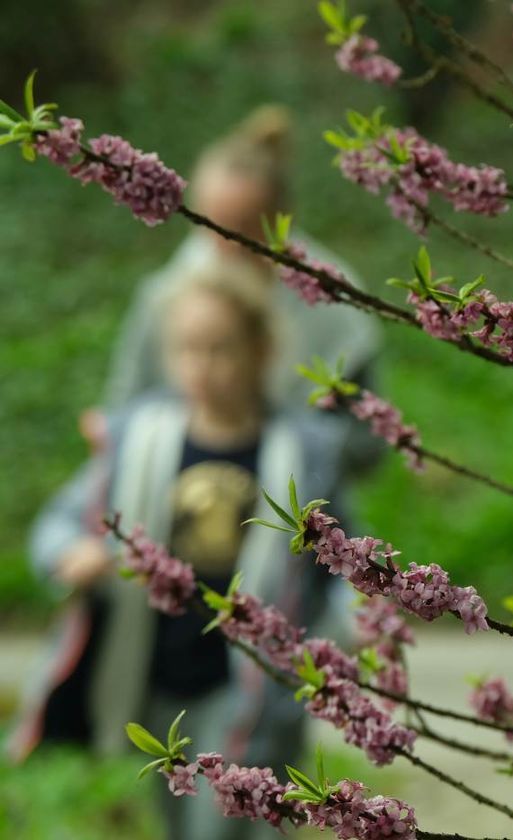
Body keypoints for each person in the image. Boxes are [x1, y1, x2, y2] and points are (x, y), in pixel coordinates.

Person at [12, 263, 349, 840]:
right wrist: (71, 553)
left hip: (249, 678)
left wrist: (353, 622)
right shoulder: (136, 439)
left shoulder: (302, 450)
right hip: (156, 669)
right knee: (177, 814)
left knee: (232, 820)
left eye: (222, 349)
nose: (204, 366)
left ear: (261, 350)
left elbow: (341, 558)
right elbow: (59, 524)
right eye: (188, 349)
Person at [88, 105, 382, 476]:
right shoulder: (166, 297)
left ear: (282, 217)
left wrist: (288, 453)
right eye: (211, 226)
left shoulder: (333, 303)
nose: (225, 247)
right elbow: (124, 409)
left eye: (242, 230)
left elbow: (365, 445)